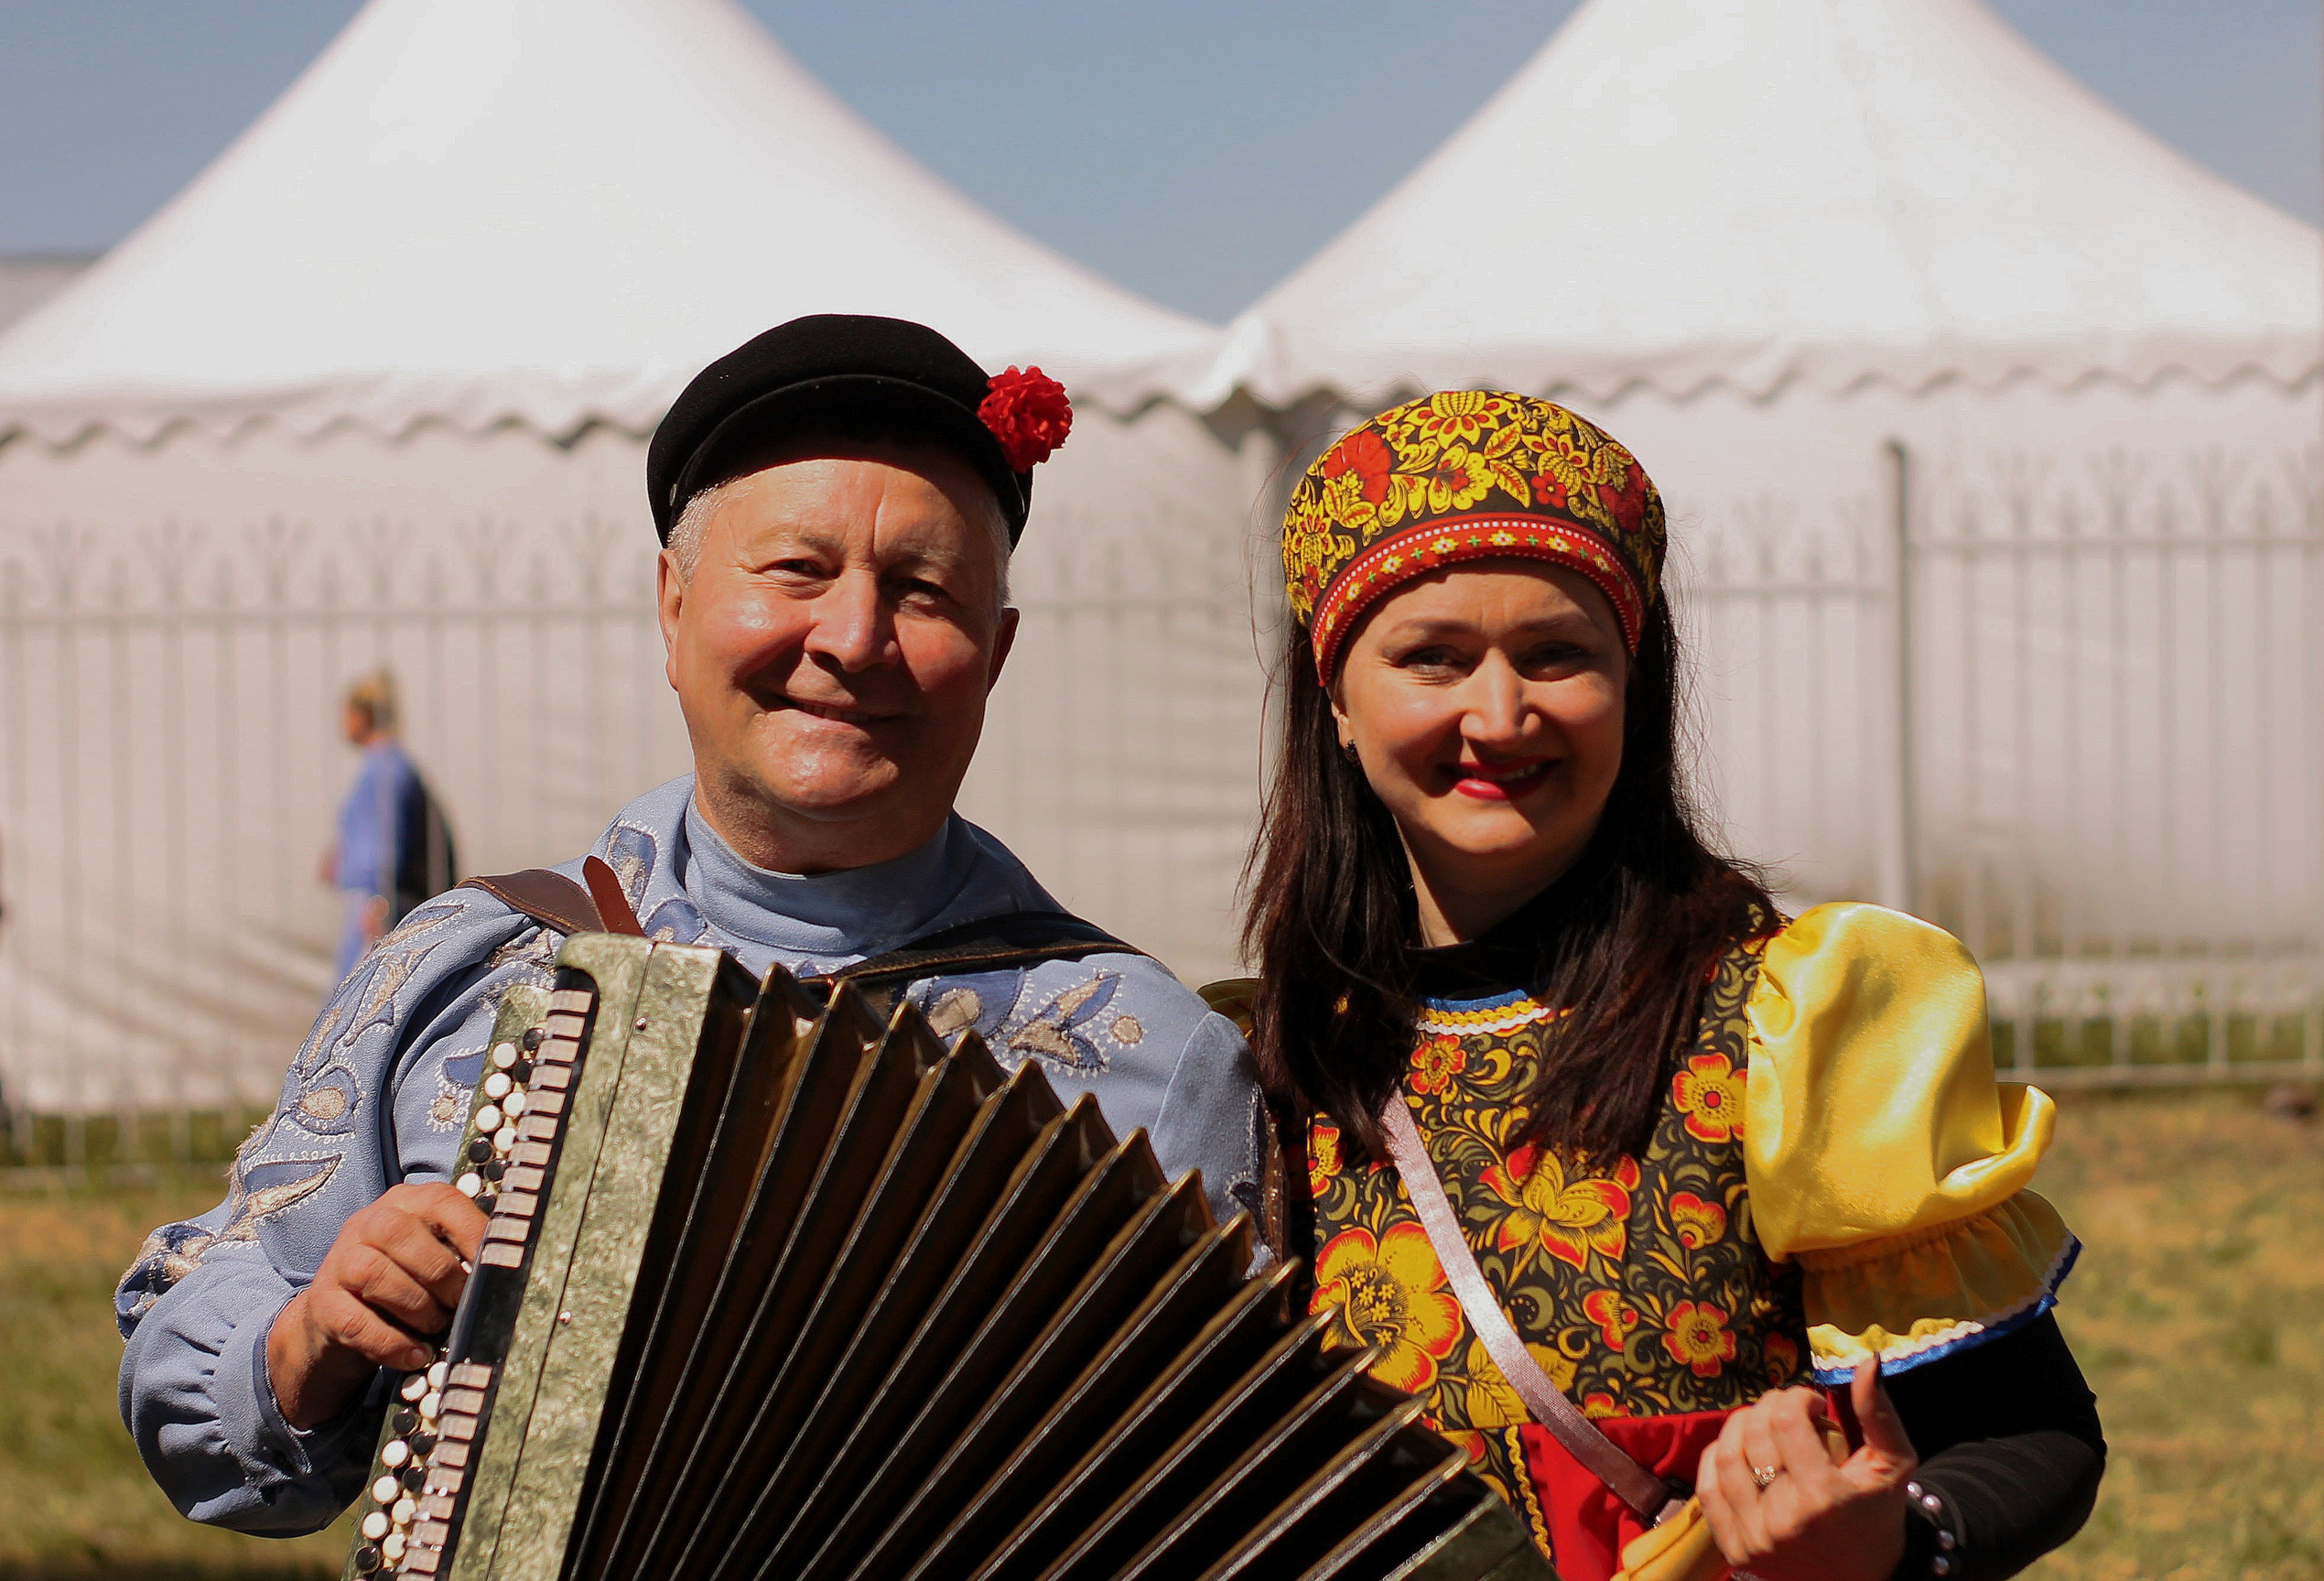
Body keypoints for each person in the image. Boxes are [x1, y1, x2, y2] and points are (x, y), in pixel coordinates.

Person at [115, 316, 1263, 1533]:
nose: (854, 637)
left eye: (923, 592)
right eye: (797, 571)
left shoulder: (1154, 1054)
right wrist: (308, 1335)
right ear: (672, 607)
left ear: (996, 652)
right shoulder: (466, 957)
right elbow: (199, 1337)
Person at [1241, 392, 2101, 1581]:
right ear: (1335, 697)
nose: (1499, 714)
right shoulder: (1269, 1059)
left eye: (1557, 654)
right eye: (1432, 657)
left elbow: (2026, 1429)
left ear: (1632, 685)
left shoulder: (1793, 1019)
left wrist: (1895, 1538)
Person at [320, 670, 458, 984]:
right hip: (376, 906)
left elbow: (382, 851)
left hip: (375, 912)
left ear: (363, 715)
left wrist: (377, 906)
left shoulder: (383, 769)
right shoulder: (391, 765)